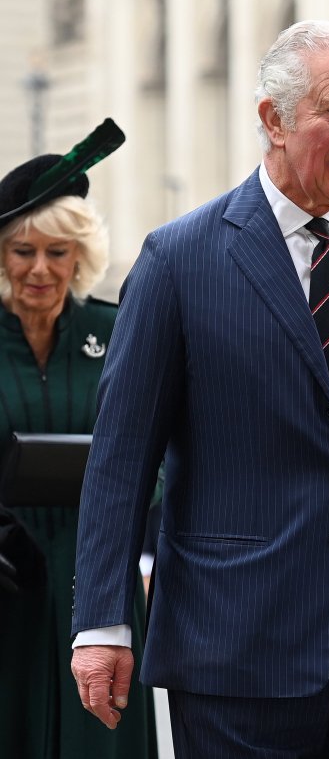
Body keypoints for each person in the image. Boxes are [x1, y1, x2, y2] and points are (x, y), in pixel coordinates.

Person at [71, 21, 329, 759]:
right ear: (271, 120)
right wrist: (102, 624)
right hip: (237, 651)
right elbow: (121, 459)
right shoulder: (177, 259)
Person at [0, 120, 158, 759]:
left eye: (57, 251)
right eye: (22, 250)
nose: (40, 268)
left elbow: (165, 442)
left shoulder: (118, 330)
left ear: (80, 255)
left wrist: (148, 537)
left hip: (99, 574)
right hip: (6, 575)